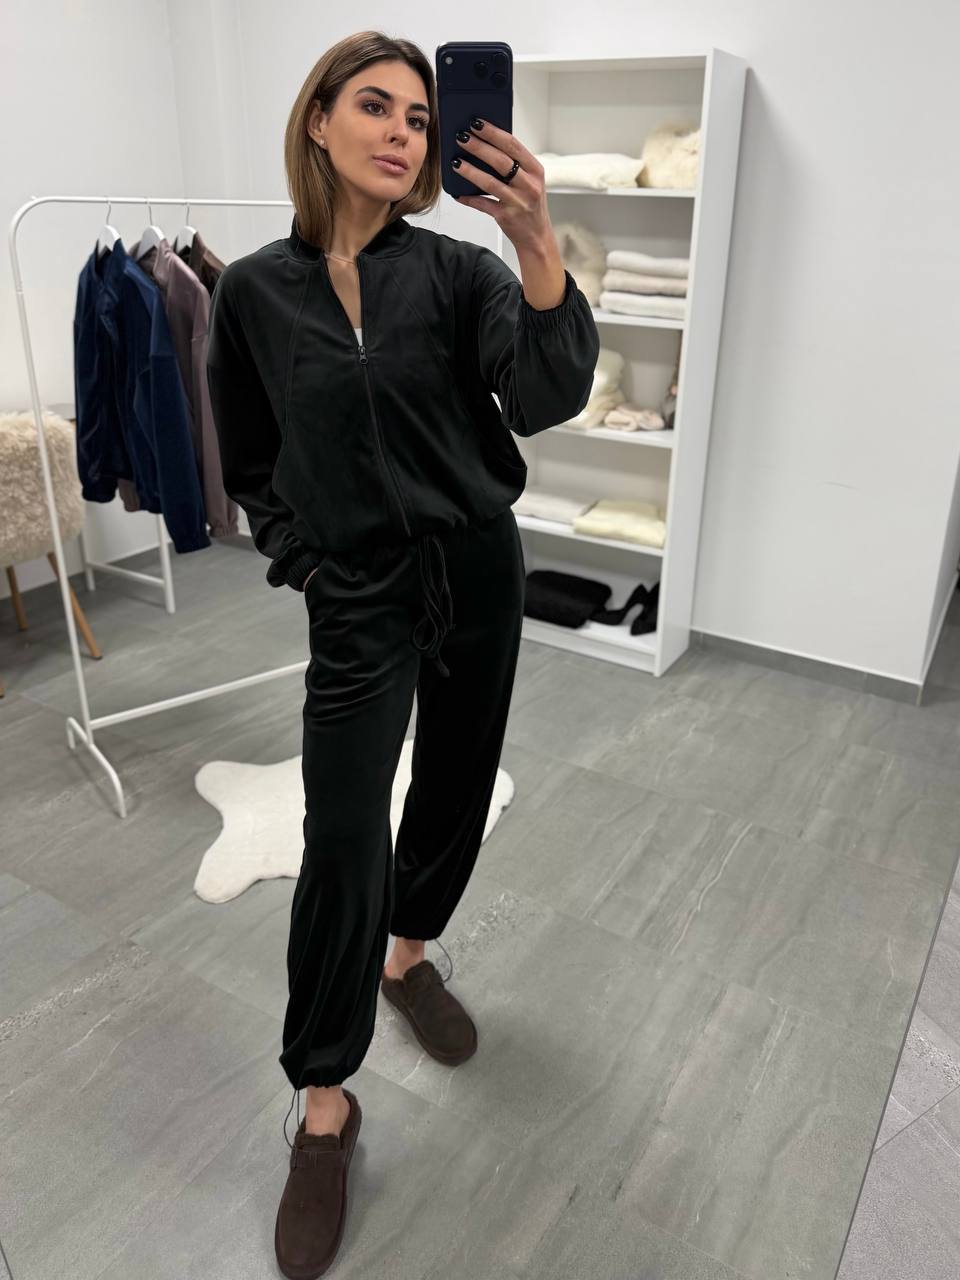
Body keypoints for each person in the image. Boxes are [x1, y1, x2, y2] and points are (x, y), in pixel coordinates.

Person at [205, 28, 599, 1277]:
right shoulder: (252, 293)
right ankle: (325, 1102)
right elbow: (251, 459)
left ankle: (409, 952)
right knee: (339, 834)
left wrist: (535, 240)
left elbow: (544, 393)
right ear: (318, 120)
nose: (402, 132)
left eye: (420, 118)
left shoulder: (460, 272)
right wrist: (308, 560)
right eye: (374, 106)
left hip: (476, 565)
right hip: (358, 593)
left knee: (456, 783)